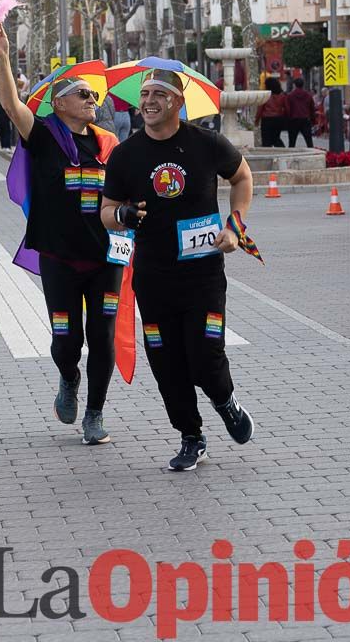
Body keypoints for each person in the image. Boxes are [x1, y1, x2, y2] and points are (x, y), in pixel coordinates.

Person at [100, 68, 256, 472]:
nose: (148, 101)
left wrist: (234, 227)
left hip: (203, 276)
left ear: (178, 101)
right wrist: (124, 214)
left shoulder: (206, 144)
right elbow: (105, 213)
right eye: (144, 93)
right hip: (154, 279)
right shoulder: (125, 155)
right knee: (167, 363)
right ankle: (191, 436)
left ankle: (225, 401)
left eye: (158, 94)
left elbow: (242, 177)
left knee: (205, 357)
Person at [0, 24, 125, 445]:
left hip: (106, 258)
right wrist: (2, 57)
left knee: (102, 336)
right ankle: (69, 378)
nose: (91, 101)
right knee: (67, 337)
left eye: (94, 96)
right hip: (60, 258)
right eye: (83, 94)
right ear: (59, 101)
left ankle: (95, 414)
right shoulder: (44, 135)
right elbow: (11, 105)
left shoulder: (108, 143)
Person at [284, 77, 315, 148]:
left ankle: (291, 156)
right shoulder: (308, 95)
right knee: (309, 141)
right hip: (305, 119)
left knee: (292, 142)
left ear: (294, 85)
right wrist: (313, 119)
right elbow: (312, 108)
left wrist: (288, 119)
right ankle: (312, 155)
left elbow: (287, 109)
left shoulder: (290, 96)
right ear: (303, 85)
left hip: (293, 120)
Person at [255, 77, 286, 147]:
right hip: (278, 119)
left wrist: (257, 120)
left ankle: (267, 154)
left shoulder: (265, 96)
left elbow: (260, 109)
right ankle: (282, 151)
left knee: (266, 140)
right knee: (276, 138)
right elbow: (286, 108)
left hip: (267, 119)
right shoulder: (282, 96)